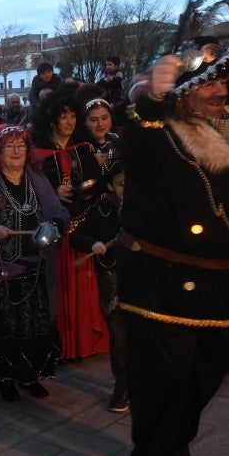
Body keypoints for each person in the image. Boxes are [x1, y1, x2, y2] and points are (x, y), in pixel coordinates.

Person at [118, 43, 229, 456]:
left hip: (225, 288)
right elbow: (136, 145)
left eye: (223, 82)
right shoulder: (163, 136)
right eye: (206, 83)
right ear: (183, 95)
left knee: (207, 374)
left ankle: (175, 449)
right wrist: (150, 102)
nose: (218, 90)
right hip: (166, 286)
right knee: (163, 381)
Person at [0, 125, 69, 402]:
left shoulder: (39, 181)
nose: (17, 151)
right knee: (5, 330)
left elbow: (61, 212)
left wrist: (54, 224)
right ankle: (5, 378)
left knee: (34, 329)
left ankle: (29, 375)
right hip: (2, 275)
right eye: (10, 146)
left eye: (21, 145)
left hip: (34, 271)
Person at [32, 88, 109, 361]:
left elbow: (96, 185)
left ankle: (83, 342)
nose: (69, 121)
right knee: (56, 288)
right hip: (52, 230)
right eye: (63, 116)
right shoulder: (37, 153)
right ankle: (60, 344)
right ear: (51, 119)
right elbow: (31, 188)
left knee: (81, 286)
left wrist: (85, 189)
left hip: (81, 226)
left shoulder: (84, 149)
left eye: (73, 116)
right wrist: (54, 191)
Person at [69, 161, 127, 412]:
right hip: (112, 281)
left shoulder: (147, 208)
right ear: (112, 187)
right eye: (122, 184)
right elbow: (75, 236)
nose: (127, 189)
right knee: (119, 336)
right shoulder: (101, 209)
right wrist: (93, 243)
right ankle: (122, 388)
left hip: (142, 280)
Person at [81, 97, 120, 176]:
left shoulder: (117, 139)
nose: (100, 124)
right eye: (94, 120)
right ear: (84, 122)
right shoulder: (80, 148)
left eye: (105, 118)